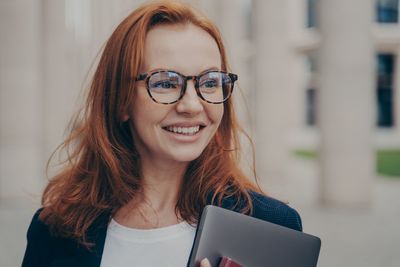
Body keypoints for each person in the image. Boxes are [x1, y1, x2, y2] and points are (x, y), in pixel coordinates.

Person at [21, 1, 302, 267]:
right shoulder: (55, 230)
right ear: (120, 101)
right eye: (166, 82)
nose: (192, 105)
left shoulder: (271, 227)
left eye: (210, 82)